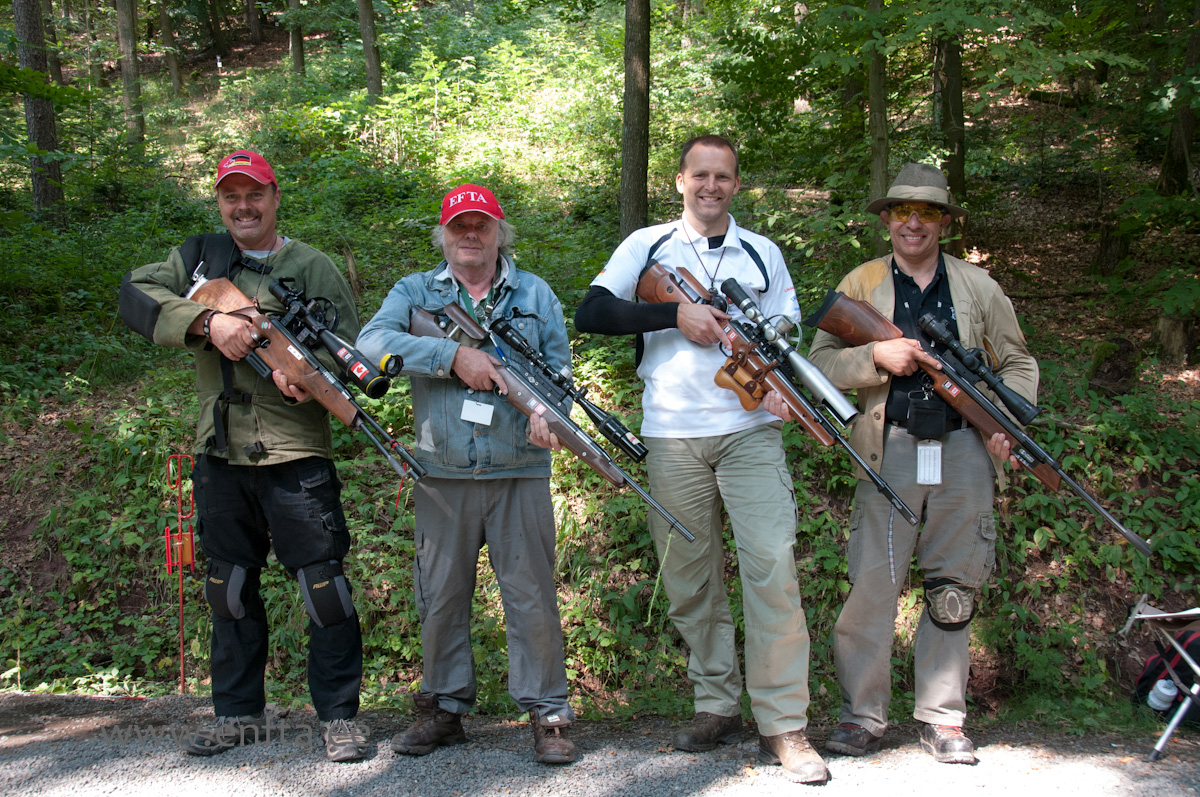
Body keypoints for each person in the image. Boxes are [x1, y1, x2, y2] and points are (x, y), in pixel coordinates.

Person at [574, 135, 827, 783]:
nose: (711, 186)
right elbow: (594, 311)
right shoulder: (647, 245)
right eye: (700, 175)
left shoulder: (763, 254)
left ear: (737, 185)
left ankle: (784, 723)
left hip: (750, 433)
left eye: (724, 176)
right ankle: (717, 702)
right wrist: (671, 314)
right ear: (680, 180)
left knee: (771, 567)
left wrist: (772, 376)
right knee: (689, 577)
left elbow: (787, 333)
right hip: (671, 434)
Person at [119, 150, 368, 761]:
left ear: (275, 196)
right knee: (226, 589)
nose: (243, 207)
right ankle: (237, 715)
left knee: (324, 588)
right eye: (231, 196)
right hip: (221, 451)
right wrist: (207, 321)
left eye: (254, 194)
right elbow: (135, 293)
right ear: (220, 202)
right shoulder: (199, 257)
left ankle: (339, 717)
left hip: (295, 451)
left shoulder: (310, 266)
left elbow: (348, 352)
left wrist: (307, 377)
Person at [808, 163, 1039, 764]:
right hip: (891, 447)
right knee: (873, 586)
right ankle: (862, 715)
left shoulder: (978, 287)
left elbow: (1017, 364)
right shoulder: (859, 284)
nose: (914, 223)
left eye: (928, 212)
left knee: (954, 586)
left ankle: (943, 718)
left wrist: (1006, 426)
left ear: (945, 222)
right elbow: (817, 366)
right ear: (886, 219)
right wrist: (876, 356)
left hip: (963, 450)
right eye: (902, 211)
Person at [355, 184, 577, 765]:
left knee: (531, 597)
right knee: (441, 596)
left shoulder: (534, 292)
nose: (470, 235)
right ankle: (445, 709)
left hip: (519, 469)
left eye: (481, 225)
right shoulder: (413, 292)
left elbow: (559, 373)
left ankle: (548, 712)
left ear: (499, 232)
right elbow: (370, 344)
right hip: (442, 471)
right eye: (459, 226)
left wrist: (549, 417)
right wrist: (451, 357)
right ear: (443, 234)